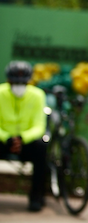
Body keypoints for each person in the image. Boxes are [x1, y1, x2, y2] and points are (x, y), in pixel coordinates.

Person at [0, 61, 48, 212]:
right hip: (3, 140)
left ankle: (36, 197)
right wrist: (7, 137)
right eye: (15, 82)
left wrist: (22, 138)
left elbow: (39, 125)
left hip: (27, 142)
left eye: (23, 82)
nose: (19, 85)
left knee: (42, 148)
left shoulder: (37, 95)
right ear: (9, 80)